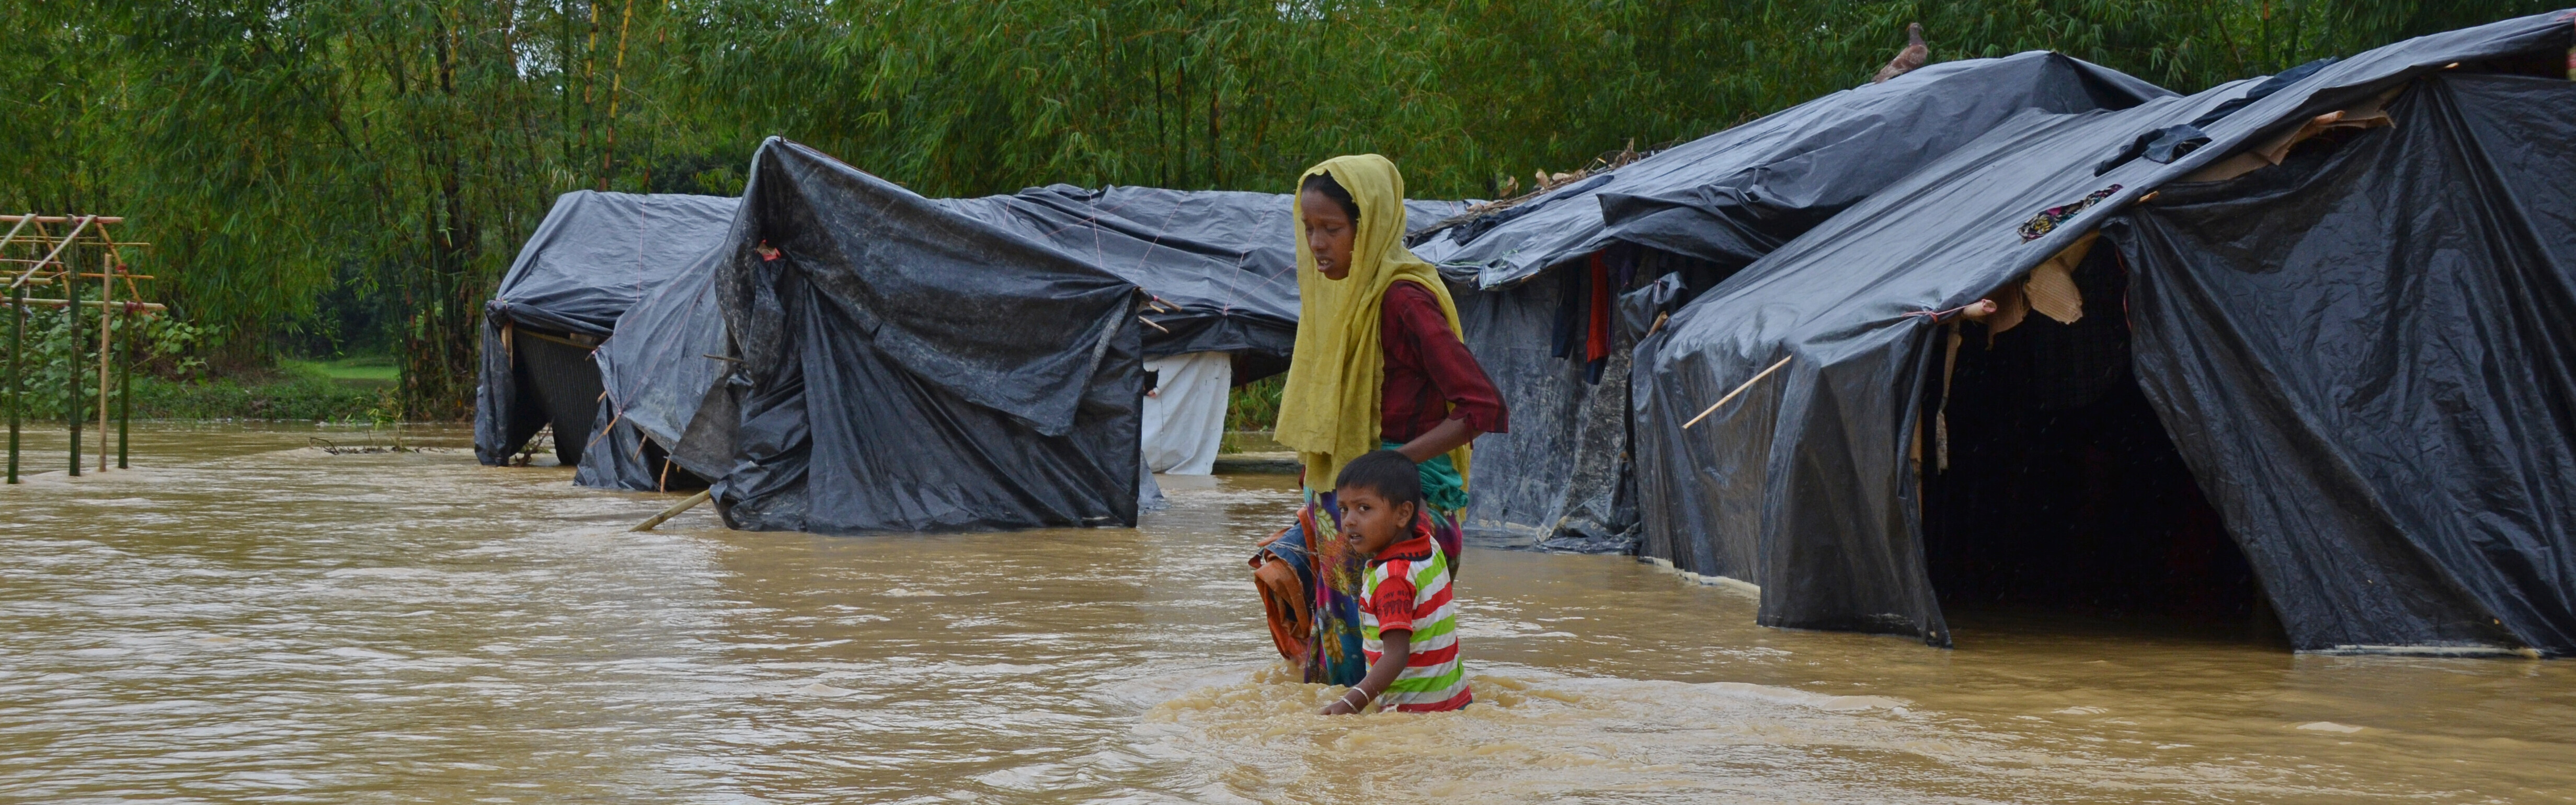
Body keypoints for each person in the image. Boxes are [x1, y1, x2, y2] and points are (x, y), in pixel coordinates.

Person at [1251, 154, 1507, 686]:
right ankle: (1343, 761)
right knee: (1338, 659)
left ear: (1368, 228)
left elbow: (1481, 407)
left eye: (1332, 229)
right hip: (1351, 499)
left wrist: (1391, 461)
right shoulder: (1341, 297)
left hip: (1402, 506)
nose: (1317, 244)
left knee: (1388, 667)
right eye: (1308, 229)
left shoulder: (1403, 300)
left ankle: (1372, 754)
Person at [1319, 450, 1472, 715]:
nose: (1349, 521)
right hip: (1454, 700)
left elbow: (1396, 656)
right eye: (1343, 509)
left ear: (1403, 515)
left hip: (1412, 713)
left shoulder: (1392, 578)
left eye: (1364, 508)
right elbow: (1420, 512)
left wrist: (1350, 702)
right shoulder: (1428, 544)